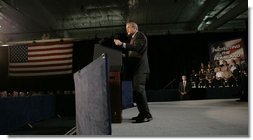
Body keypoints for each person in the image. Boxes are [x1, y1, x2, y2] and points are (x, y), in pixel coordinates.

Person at [114, 21, 152, 123]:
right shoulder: (133, 39)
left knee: (139, 90)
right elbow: (132, 55)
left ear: (134, 27)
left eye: (128, 28)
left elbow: (138, 48)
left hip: (141, 69)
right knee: (136, 92)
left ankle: (147, 115)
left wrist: (122, 44)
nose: (126, 30)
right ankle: (142, 113)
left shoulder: (140, 35)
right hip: (136, 70)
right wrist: (121, 55)